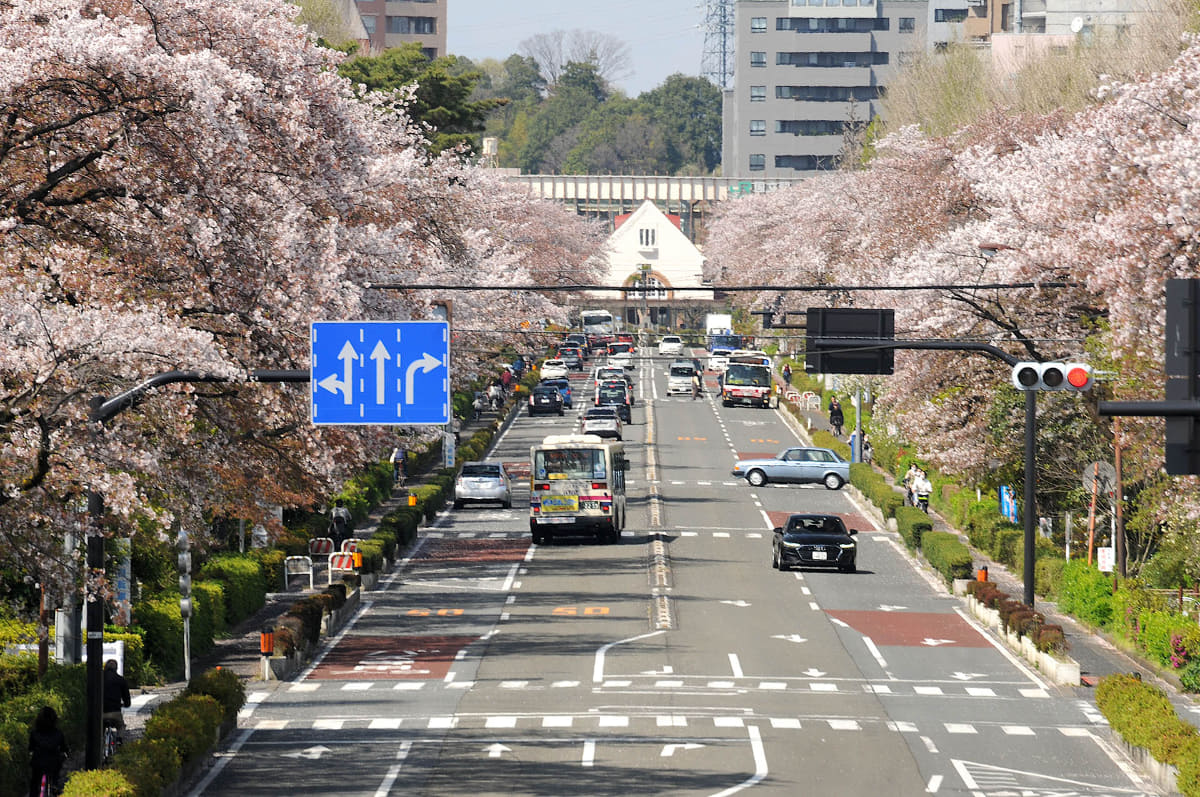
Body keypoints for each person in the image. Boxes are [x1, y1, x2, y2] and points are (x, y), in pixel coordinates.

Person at [29, 705, 68, 797]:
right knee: (55, 775)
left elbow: (31, 748)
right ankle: (54, 785)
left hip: (38, 763)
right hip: (53, 763)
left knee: (35, 782)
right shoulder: (58, 733)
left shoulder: (34, 733)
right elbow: (64, 748)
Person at [102, 659, 131, 732]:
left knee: (98, 729)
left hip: (100, 712)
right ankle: (119, 740)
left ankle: (99, 741)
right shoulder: (121, 680)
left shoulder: (98, 679)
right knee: (121, 726)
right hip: (115, 712)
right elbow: (127, 700)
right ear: (116, 668)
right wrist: (125, 704)